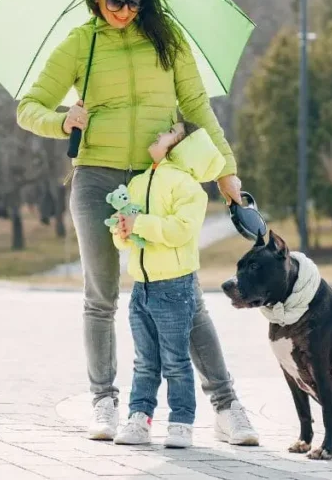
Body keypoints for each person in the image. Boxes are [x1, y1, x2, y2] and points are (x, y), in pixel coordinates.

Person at [15, 0, 259, 445]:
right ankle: (104, 401)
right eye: (114, 1)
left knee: (183, 298)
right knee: (100, 297)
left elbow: (197, 106)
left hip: (158, 181)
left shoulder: (167, 42)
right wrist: (62, 119)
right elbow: (28, 107)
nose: (124, 10)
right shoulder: (79, 45)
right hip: (97, 179)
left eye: (133, 1)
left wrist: (226, 171)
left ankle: (227, 406)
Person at [109, 121, 221, 449]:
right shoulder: (140, 181)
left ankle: (181, 422)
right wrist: (123, 231)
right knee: (145, 360)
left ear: (183, 145)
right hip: (140, 286)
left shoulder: (188, 187)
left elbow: (180, 230)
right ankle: (139, 419)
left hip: (174, 287)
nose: (160, 132)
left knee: (175, 360)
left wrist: (140, 222)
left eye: (170, 131)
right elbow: (129, 242)